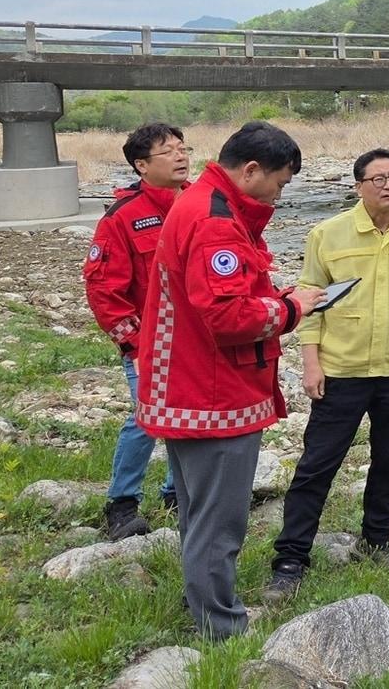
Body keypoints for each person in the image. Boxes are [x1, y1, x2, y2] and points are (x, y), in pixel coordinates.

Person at [135, 121, 325, 639]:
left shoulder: (198, 202)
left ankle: (204, 603)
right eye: (281, 184)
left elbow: (218, 298)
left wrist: (273, 297)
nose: (282, 195)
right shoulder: (216, 220)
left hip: (189, 386)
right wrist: (289, 308)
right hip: (212, 395)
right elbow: (227, 317)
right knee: (219, 521)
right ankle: (220, 625)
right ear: (251, 170)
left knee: (199, 513)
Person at [265, 148, 389, 601]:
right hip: (341, 371)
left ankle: (376, 541)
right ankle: (291, 557)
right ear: (359, 185)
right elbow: (309, 300)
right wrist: (311, 361)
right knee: (316, 466)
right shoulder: (329, 234)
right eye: (379, 177)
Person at [83, 122, 191, 540]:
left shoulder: (203, 203)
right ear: (142, 166)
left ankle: (175, 491)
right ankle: (122, 504)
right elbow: (103, 288)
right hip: (148, 343)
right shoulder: (123, 217)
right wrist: (134, 342)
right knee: (147, 418)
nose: (181, 156)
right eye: (169, 151)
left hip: (201, 340)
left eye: (183, 148)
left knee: (192, 416)